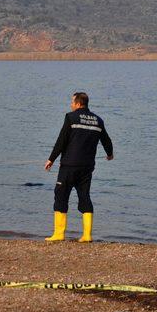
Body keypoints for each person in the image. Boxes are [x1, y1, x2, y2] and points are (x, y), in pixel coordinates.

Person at [44, 92, 113, 242]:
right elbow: (106, 140)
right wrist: (110, 154)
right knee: (84, 197)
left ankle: (59, 234)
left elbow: (61, 141)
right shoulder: (98, 120)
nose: (71, 104)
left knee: (61, 196)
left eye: (72, 101)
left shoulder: (71, 117)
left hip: (69, 165)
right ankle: (87, 235)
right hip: (87, 167)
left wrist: (51, 159)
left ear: (78, 103)